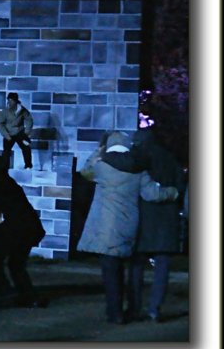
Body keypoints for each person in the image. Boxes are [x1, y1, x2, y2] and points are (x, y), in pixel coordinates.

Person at [78, 131, 177, 324]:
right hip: (129, 226)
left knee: (110, 273)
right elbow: (152, 194)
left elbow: (85, 171)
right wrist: (172, 192)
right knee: (122, 270)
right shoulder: (139, 170)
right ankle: (124, 308)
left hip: (106, 228)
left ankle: (115, 313)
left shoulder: (102, 167)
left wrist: (99, 151)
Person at [101, 128, 186, 323]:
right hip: (167, 223)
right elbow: (181, 187)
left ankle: (134, 307)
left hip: (144, 221)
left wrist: (104, 154)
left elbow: (121, 163)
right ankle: (155, 309)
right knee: (162, 267)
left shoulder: (140, 156)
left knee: (136, 267)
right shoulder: (171, 159)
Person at [0, 155, 46, 308]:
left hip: (18, 227)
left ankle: (5, 293)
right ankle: (27, 296)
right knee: (16, 264)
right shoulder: (7, 183)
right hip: (28, 227)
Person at [0, 92, 33, 169]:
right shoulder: (5, 111)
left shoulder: (22, 110)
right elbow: (0, 124)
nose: (10, 102)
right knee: (6, 152)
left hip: (20, 132)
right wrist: (6, 135)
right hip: (9, 133)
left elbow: (29, 120)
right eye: (9, 100)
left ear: (16, 101)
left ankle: (28, 166)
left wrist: (26, 132)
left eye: (12, 100)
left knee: (26, 147)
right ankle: (5, 168)